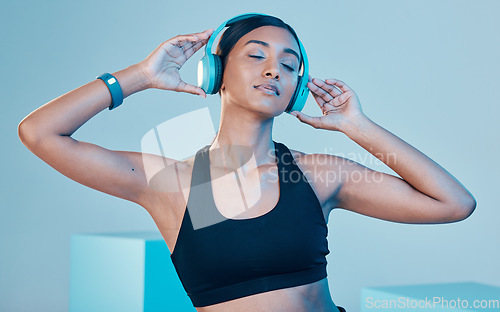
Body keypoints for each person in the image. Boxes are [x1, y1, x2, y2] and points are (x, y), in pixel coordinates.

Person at [17, 13, 476, 312]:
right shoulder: (169, 183)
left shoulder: (316, 175)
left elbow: (453, 204)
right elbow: (39, 133)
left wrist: (357, 126)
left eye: (289, 64)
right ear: (215, 71)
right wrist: (139, 76)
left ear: (297, 87)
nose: (273, 69)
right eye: (255, 55)